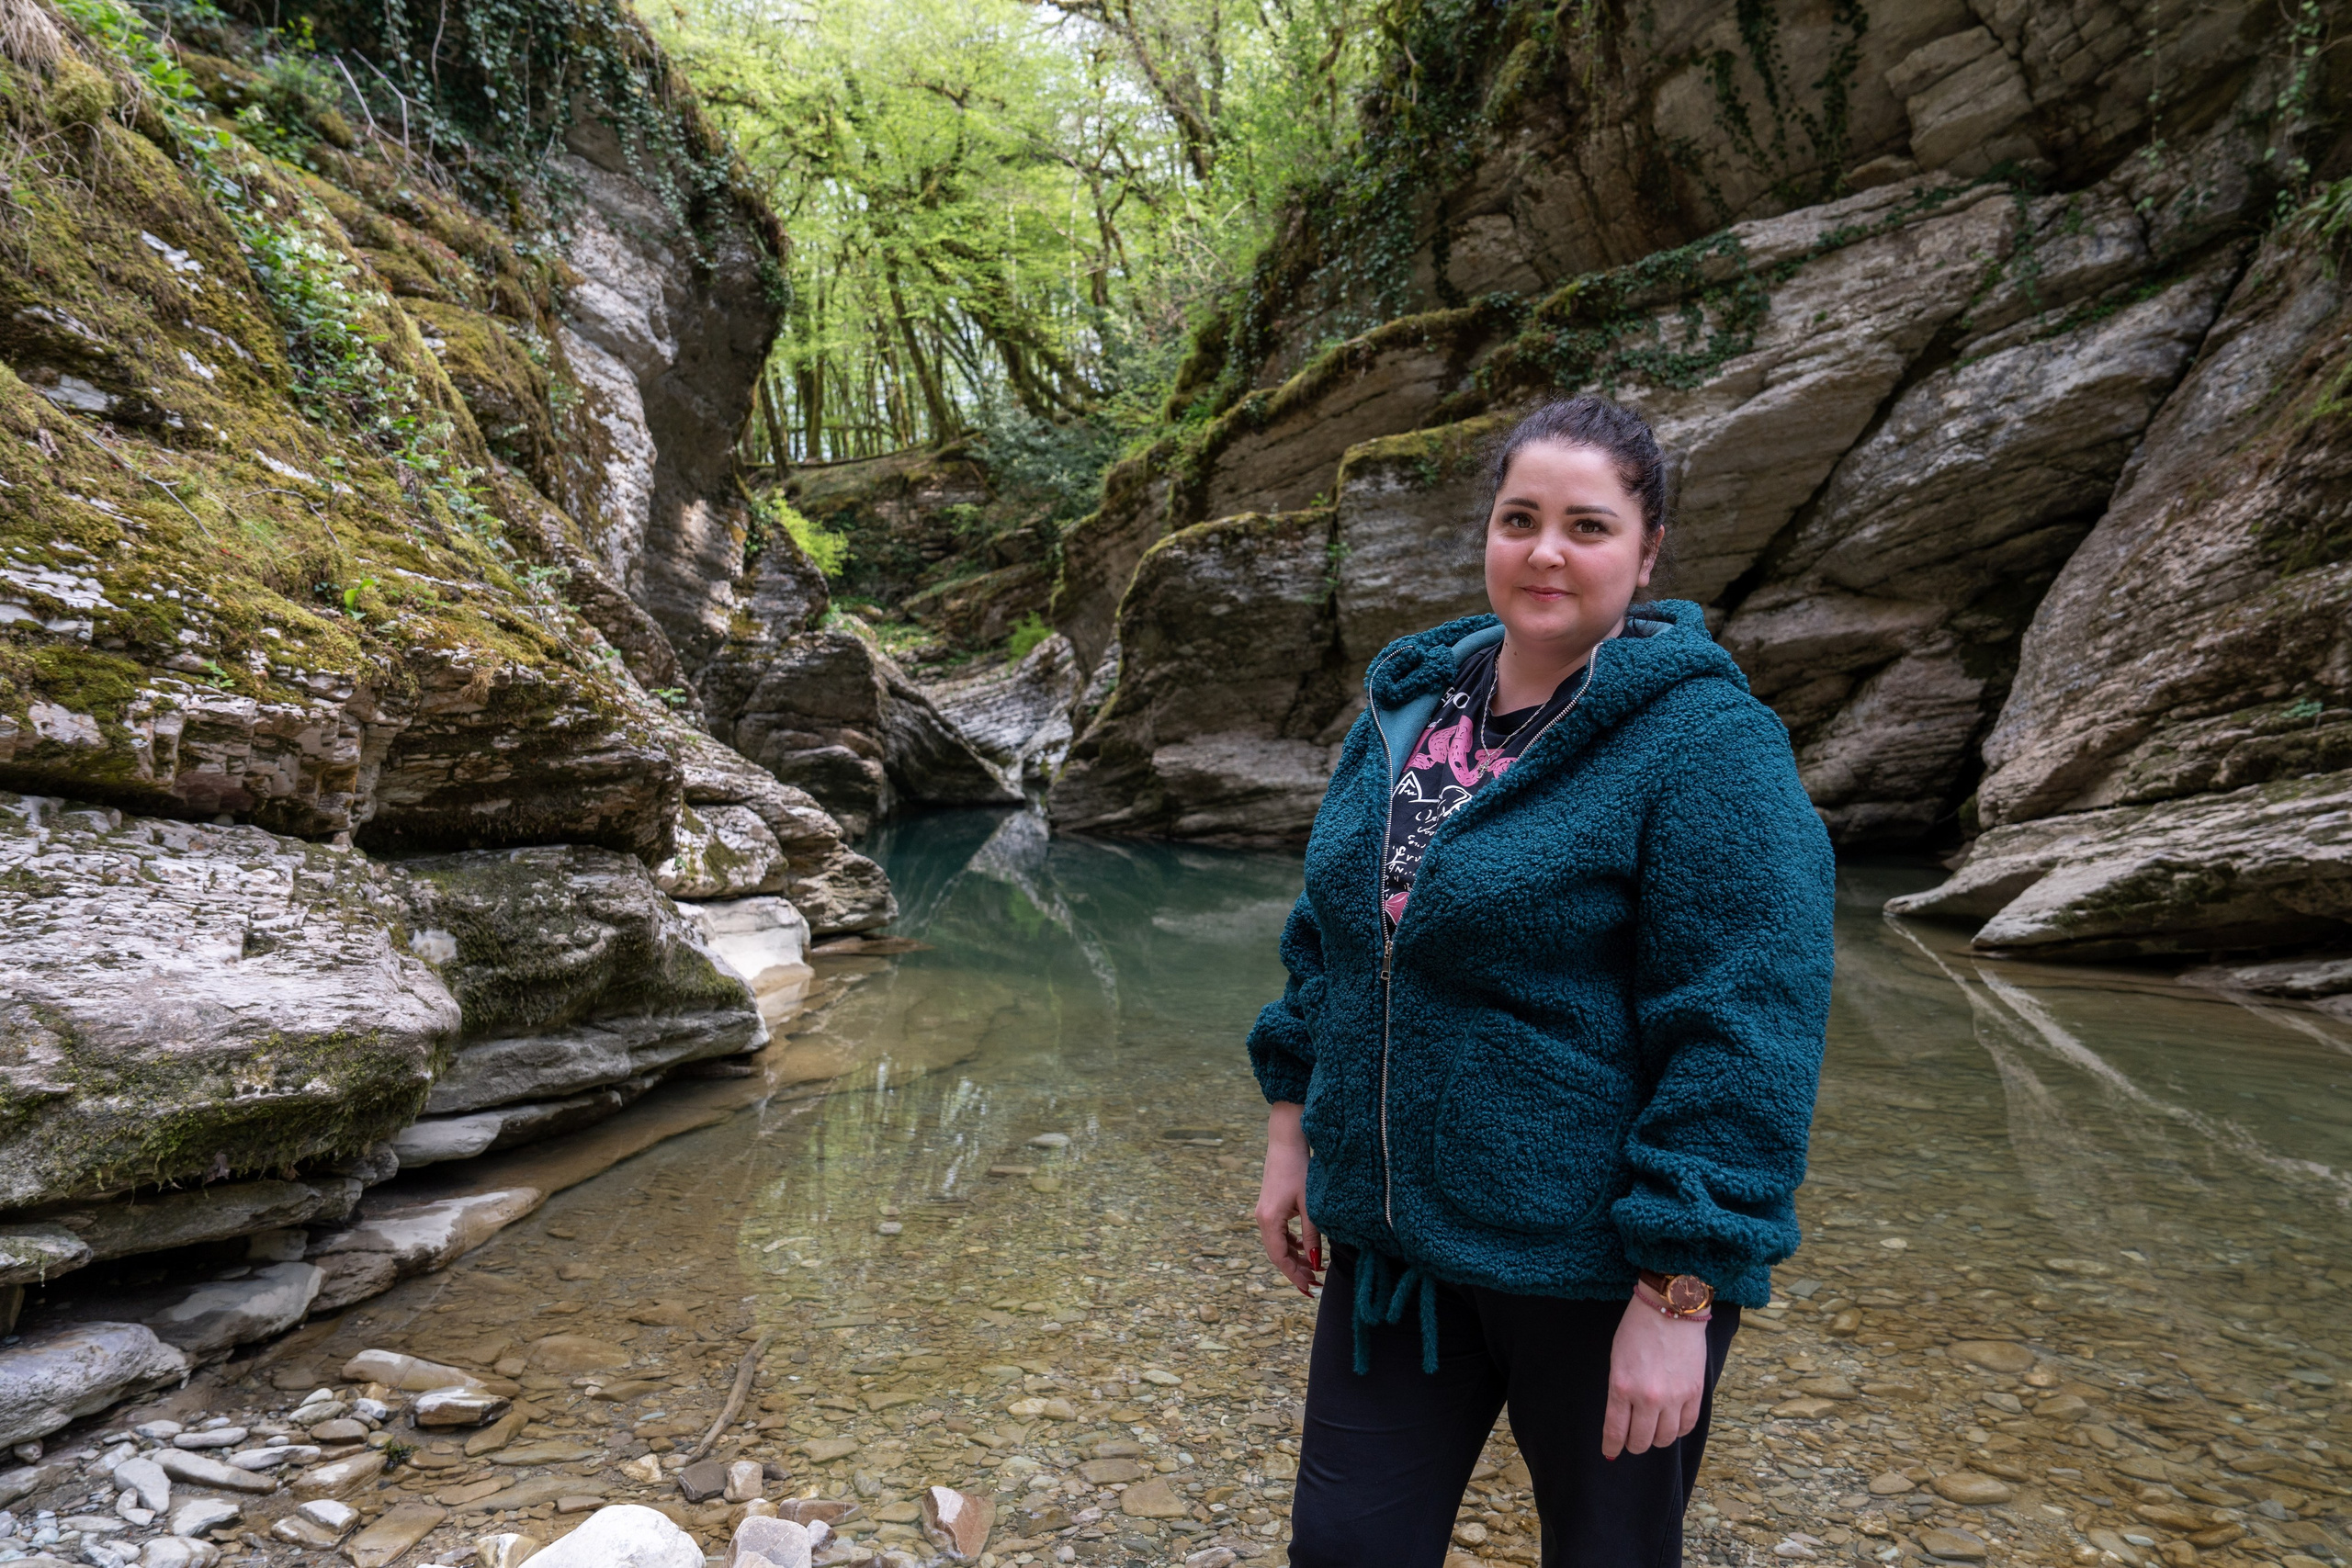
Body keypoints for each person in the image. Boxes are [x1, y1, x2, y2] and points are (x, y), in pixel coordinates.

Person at [1248, 395, 1836, 1567]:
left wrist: (1679, 1292)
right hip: (1393, 1258)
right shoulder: (1408, 709)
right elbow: (1329, 937)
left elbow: (1747, 1029)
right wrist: (1290, 1129)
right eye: (1520, 519)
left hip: (1596, 1273)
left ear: (1647, 552)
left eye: (1588, 526)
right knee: (1343, 1550)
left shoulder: (1706, 743)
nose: (1546, 552)